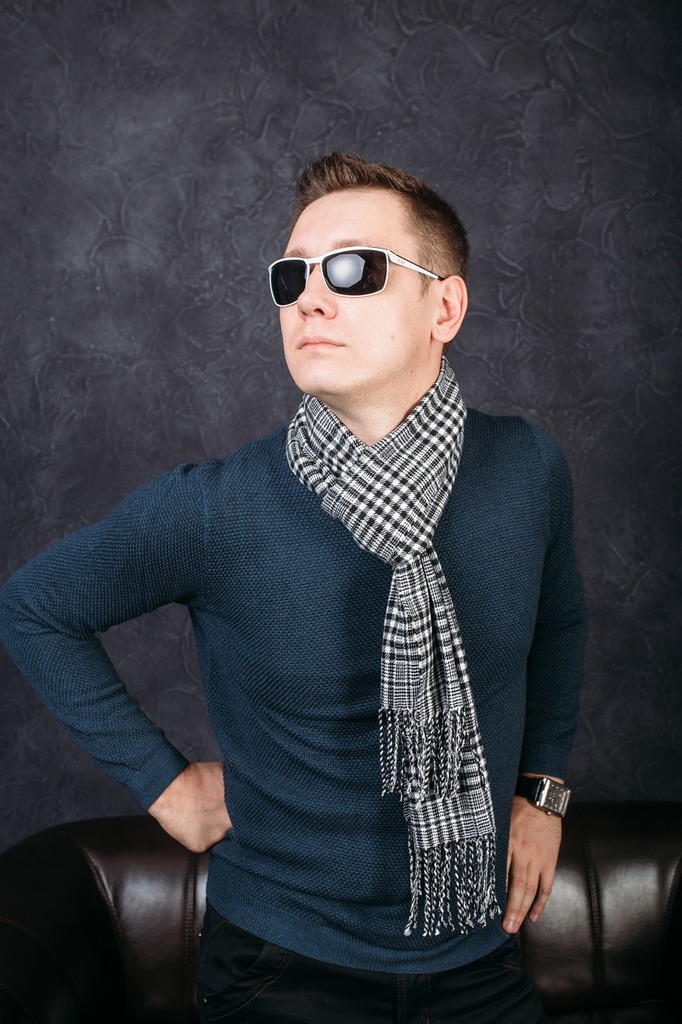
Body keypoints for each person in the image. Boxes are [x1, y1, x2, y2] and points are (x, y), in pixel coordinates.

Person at [0, 152, 587, 1023]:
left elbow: (561, 627)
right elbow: (34, 607)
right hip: (281, 969)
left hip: (476, 959)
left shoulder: (526, 468)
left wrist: (542, 795)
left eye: (355, 269)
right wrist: (165, 785)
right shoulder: (219, 506)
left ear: (446, 307)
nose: (310, 297)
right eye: (293, 276)